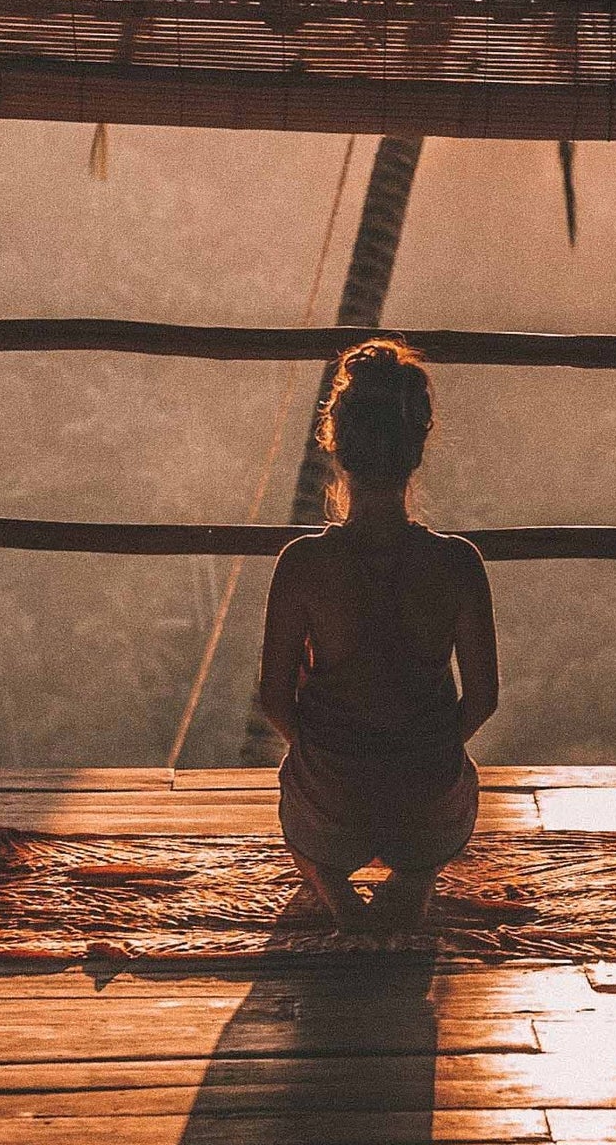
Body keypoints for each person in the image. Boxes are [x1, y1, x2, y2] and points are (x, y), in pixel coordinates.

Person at [257, 340, 499, 930]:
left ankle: (332, 886)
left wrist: (328, 754)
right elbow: (484, 698)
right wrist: (428, 747)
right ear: (417, 448)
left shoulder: (302, 565)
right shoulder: (458, 564)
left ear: (336, 445)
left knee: (303, 808)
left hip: (332, 806)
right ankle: (416, 875)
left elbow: (274, 700)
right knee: (448, 786)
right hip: (426, 808)